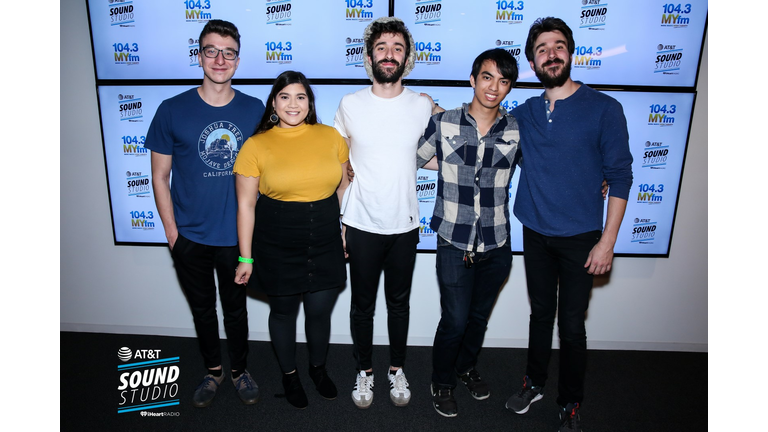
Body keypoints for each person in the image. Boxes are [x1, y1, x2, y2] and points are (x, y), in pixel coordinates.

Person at [504, 17, 633, 432]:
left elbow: (620, 177)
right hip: (535, 232)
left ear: (571, 52)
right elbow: (485, 133)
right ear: (532, 61)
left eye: (558, 46)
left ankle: (571, 402)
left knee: (572, 326)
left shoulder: (604, 109)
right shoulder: (523, 113)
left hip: (582, 238)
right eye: (542, 49)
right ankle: (534, 383)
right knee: (540, 315)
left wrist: (607, 241)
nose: (551, 54)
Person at [146, 19, 264, 408]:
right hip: (190, 239)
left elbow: (271, 168)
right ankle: (213, 371)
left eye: (228, 52)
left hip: (236, 239)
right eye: (211, 50)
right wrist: (172, 234)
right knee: (202, 310)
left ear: (237, 60)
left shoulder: (254, 109)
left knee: (236, 310)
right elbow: (160, 177)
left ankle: (239, 370)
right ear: (199, 55)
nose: (220, 59)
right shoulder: (171, 110)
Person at [333, 16, 438, 409]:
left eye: (396, 47)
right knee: (361, 305)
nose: (389, 54)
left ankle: (396, 369)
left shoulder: (423, 104)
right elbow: (341, 167)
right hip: (359, 223)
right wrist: (339, 221)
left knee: (399, 304)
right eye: (381, 48)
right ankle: (365, 372)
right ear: (369, 56)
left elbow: (441, 149)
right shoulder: (350, 105)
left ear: (406, 57)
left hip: (405, 225)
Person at [233, 71, 350, 409]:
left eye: (300, 97)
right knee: (283, 312)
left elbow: (344, 188)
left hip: (325, 236)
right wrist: (245, 257)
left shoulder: (331, 137)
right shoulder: (256, 144)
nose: (293, 104)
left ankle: (318, 370)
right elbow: (245, 205)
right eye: (285, 97)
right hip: (276, 240)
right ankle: (290, 376)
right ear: (274, 103)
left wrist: (345, 231)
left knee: (318, 312)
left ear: (310, 103)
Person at [416, 48, 520, 418]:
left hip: (497, 241)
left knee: (478, 319)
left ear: (509, 88)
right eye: (488, 77)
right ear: (473, 79)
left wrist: (598, 179)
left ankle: (465, 368)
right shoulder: (444, 123)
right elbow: (412, 157)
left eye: (503, 81)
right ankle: (441, 381)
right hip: (453, 240)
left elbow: (548, 165)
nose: (494, 87)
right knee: (455, 320)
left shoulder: (515, 129)